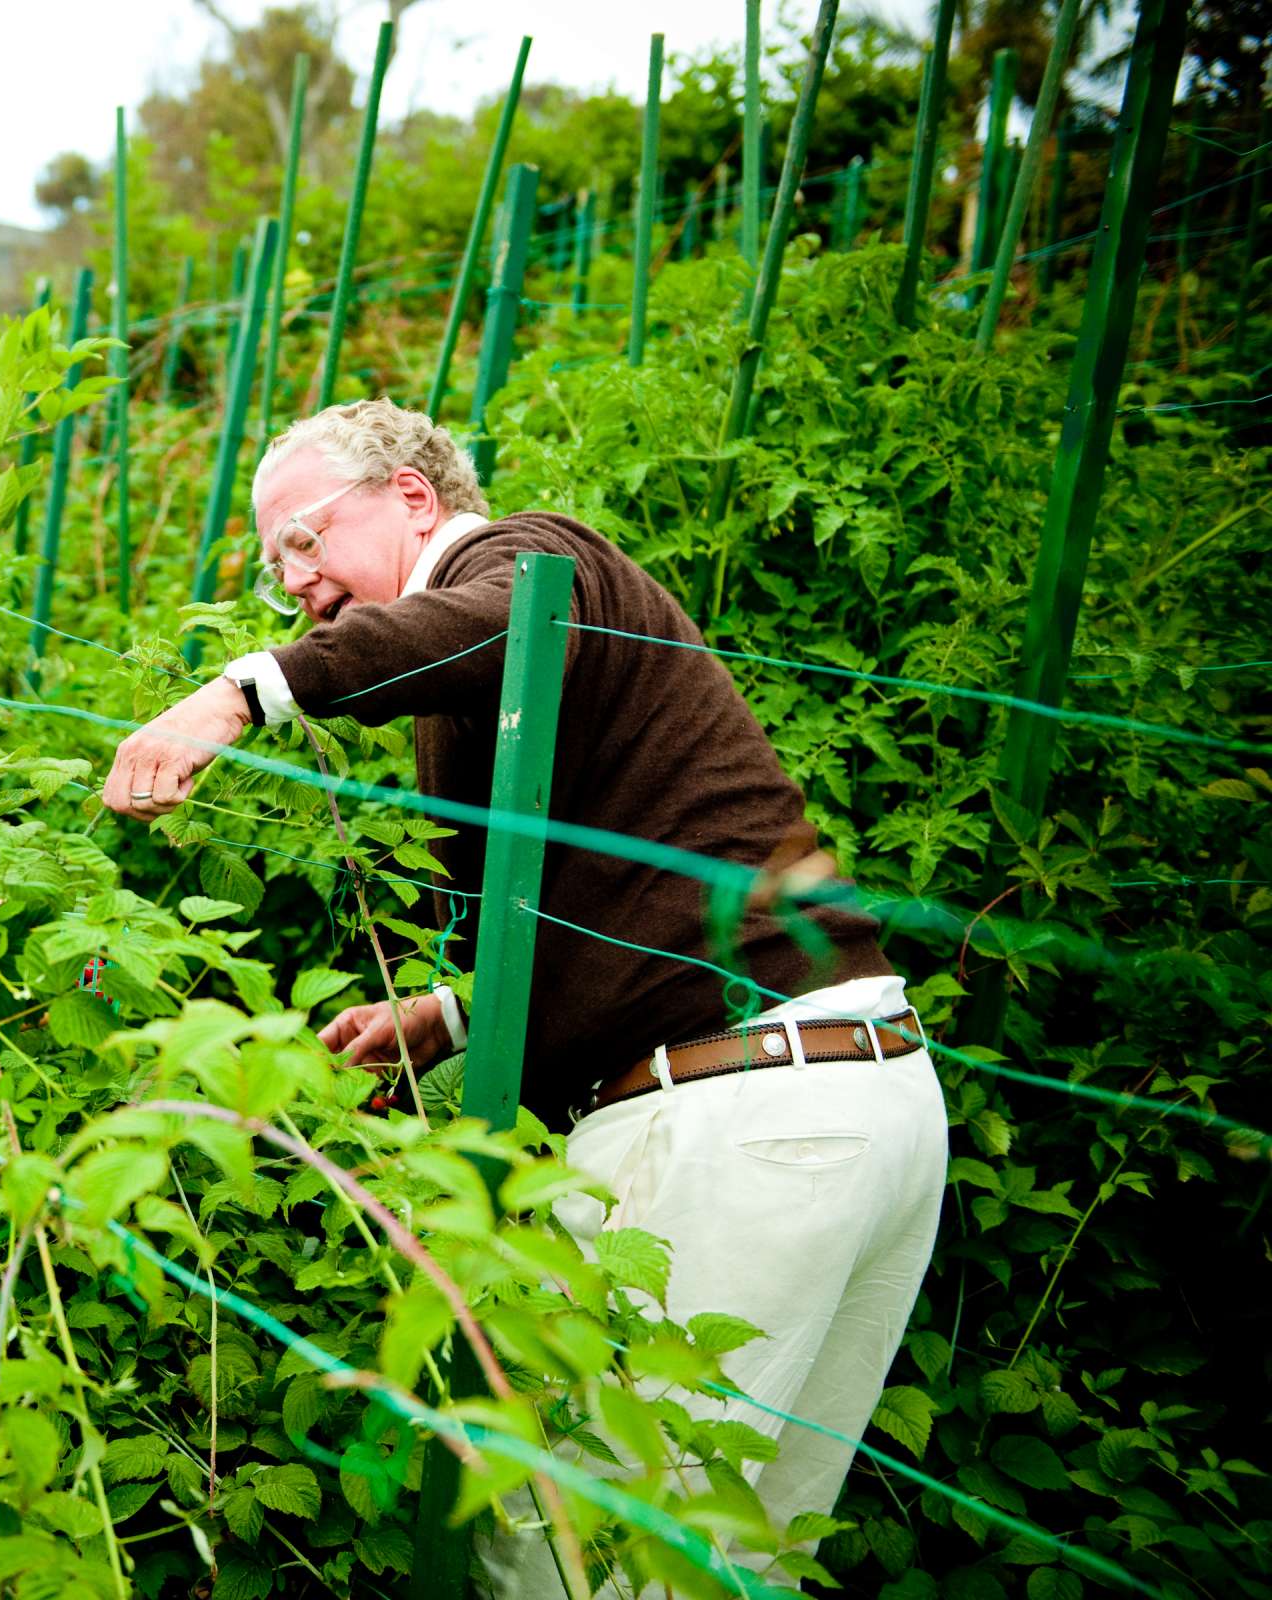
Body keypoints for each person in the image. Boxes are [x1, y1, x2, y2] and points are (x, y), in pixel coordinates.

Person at [102, 399, 947, 1590]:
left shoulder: (535, 565)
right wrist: (450, 1016)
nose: (291, 580)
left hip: (748, 1117)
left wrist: (240, 694)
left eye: (303, 538)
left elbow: (501, 625)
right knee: (737, 1563)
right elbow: (603, 896)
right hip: (855, 1086)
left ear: (410, 497)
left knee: (565, 1548)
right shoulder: (484, 659)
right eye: (272, 563)